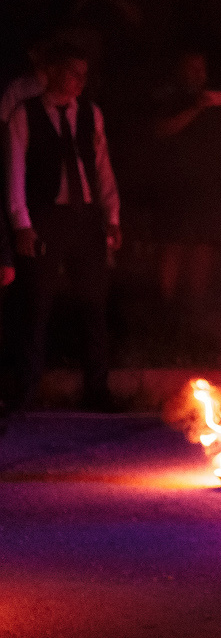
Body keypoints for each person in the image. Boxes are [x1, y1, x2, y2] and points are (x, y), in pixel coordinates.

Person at [7, 42, 122, 412]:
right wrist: (22, 223)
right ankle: (25, 390)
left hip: (85, 217)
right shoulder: (25, 114)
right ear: (54, 71)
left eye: (84, 74)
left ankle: (97, 389)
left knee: (94, 304)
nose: (80, 81)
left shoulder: (90, 114)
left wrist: (113, 216)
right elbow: (14, 173)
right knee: (36, 303)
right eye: (73, 72)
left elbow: (102, 168)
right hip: (46, 217)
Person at [151, 49, 221, 305]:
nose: (199, 73)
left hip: (210, 188)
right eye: (193, 68)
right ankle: (165, 306)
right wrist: (194, 109)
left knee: (203, 247)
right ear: (181, 71)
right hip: (177, 187)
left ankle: (196, 307)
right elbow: (162, 130)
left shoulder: (215, 103)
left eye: (202, 68)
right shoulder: (171, 98)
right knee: (173, 246)